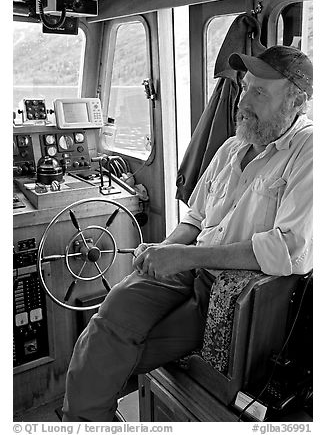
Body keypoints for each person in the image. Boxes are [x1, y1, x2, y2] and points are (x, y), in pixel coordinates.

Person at [62, 45, 313, 421]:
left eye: (259, 92)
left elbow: (287, 250)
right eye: (245, 87)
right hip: (189, 266)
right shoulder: (230, 148)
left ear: (296, 101)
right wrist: (162, 251)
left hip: (230, 295)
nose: (243, 100)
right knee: (109, 314)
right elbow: (195, 219)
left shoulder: (309, 151)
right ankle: (87, 419)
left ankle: (85, 418)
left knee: (118, 350)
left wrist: (187, 256)